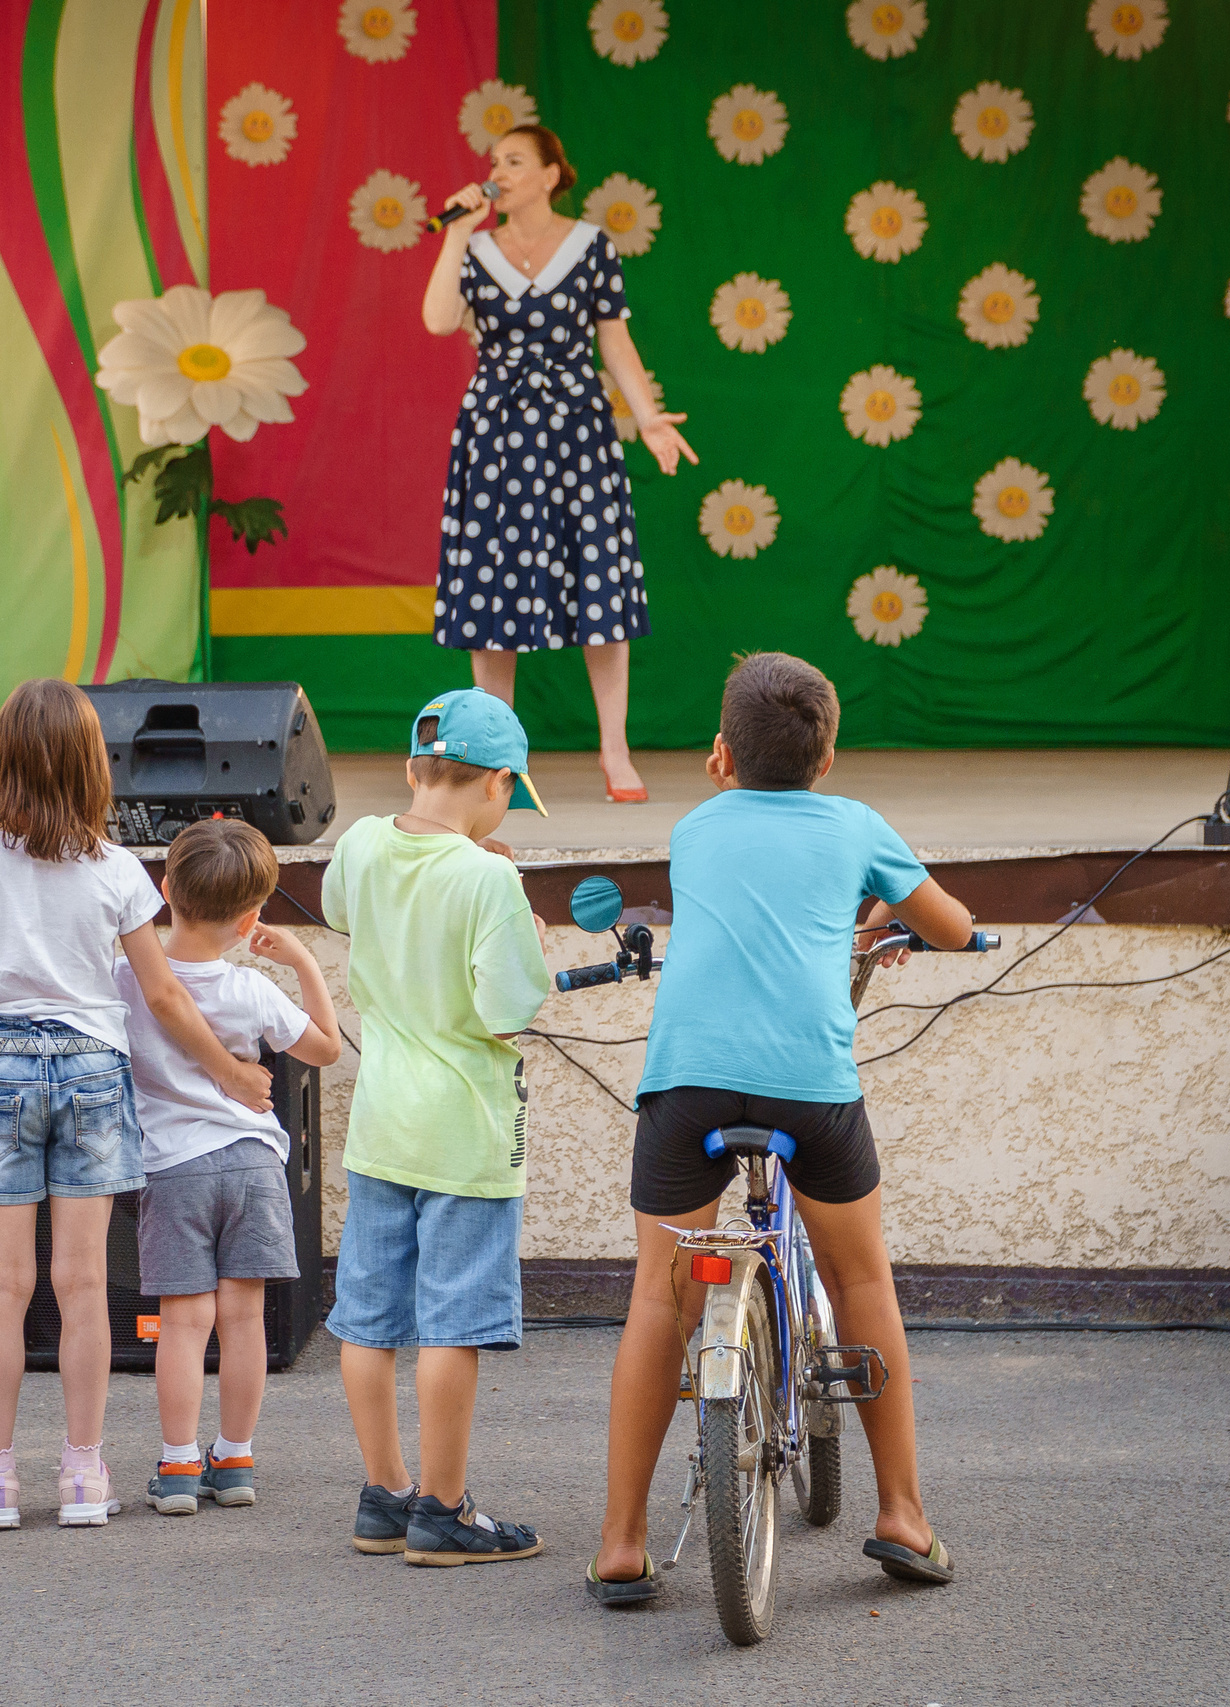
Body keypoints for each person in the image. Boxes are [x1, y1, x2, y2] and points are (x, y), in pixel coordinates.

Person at [587, 651, 972, 1603]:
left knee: (654, 1300)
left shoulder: (693, 827)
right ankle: (903, 1516)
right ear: (828, 757)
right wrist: (885, 908)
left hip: (688, 1089)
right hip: (811, 1089)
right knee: (860, 1274)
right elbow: (954, 926)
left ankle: (622, 1543)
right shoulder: (857, 825)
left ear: (721, 755)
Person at [0, 679, 274, 1530]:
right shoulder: (119, 871)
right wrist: (229, 1070)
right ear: (93, 766)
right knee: (82, 1282)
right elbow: (161, 996)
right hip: (89, 1069)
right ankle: (83, 1473)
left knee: (3, 1286)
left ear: (2, 760)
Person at [322, 688, 555, 1566]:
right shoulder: (490, 876)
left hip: (381, 1123)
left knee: (368, 1319)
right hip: (465, 1129)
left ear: (414, 770)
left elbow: (345, 909)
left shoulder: (360, 844)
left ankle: (384, 1494)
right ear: (497, 784)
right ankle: (444, 1510)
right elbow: (507, 1010)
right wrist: (525, 926)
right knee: (452, 1322)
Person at [423, 124, 698, 805]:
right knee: (492, 591)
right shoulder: (477, 246)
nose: (501, 171)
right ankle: (499, 756)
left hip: (578, 426)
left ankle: (615, 747)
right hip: (496, 428)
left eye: (516, 161)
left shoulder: (590, 245)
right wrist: (456, 231)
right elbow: (435, 320)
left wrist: (649, 415)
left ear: (551, 174)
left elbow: (616, 341)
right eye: (496, 162)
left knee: (597, 579)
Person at [117, 819, 343, 1518]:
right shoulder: (252, 990)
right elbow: (327, 1049)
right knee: (245, 1318)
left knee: (184, 1323)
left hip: (174, 1167)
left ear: (163, 891)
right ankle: (236, 1456)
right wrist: (303, 961)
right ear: (250, 920)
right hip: (253, 1166)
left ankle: (180, 1463)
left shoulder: (128, 977)